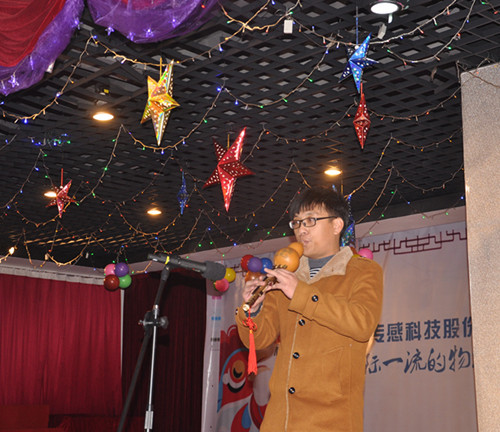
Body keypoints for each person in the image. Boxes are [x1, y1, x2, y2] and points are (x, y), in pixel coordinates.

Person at [235, 186, 383, 431]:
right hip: (279, 420)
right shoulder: (285, 273)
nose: (301, 229)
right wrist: (253, 310)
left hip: (331, 419)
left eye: (310, 220)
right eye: (296, 223)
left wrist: (301, 293)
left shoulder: (362, 271)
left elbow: (362, 323)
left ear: (336, 225)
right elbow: (260, 341)